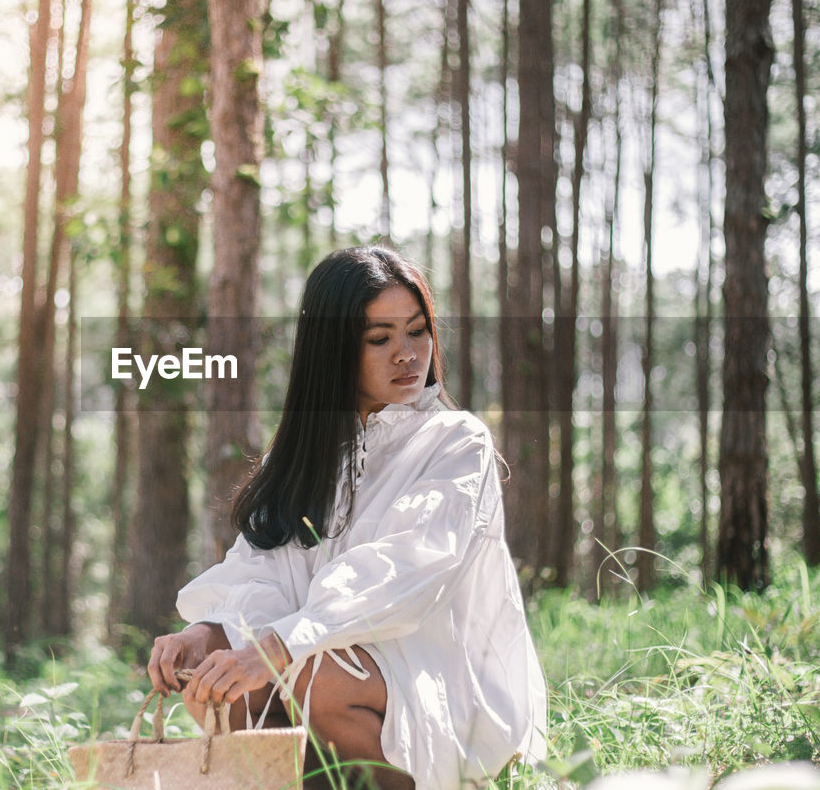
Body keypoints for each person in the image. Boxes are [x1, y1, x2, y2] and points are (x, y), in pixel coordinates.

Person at [146, 245, 548, 789]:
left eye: (417, 330)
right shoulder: (303, 458)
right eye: (379, 339)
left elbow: (403, 571)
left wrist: (281, 646)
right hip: (335, 671)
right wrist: (204, 633)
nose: (407, 354)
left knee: (319, 676)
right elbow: (260, 572)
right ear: (333, 351)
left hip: (446, 684)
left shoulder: (455, 442)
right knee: (219, 672)